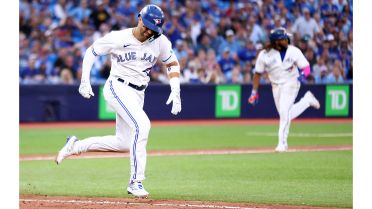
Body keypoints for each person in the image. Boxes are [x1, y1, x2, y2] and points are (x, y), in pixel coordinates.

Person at [55, 4, 182, 198]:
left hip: (139, 94)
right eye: (146, 26)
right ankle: (136, 181)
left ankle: (75, 146)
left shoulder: (160, 41)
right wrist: (84, 80)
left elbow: (172, 63)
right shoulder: (119, 37)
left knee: (124, 143)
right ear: (139, 18)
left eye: (153, 29)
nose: (149, 32)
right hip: (117, 87)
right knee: (143, 125)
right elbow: (92, 51)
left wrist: (176, 88)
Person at [248, 27, 320, 152]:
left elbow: (306, 67)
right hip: (275, 85)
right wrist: (254, 92)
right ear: (276, 42)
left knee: (284, 111)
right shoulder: (264, 55)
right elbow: (257, 74)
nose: (287, 40)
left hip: (292, 82)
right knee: (285, 114)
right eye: (283, 39)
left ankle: (282, 143)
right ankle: (306, 101)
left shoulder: (294, 51)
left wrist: (302, 76)